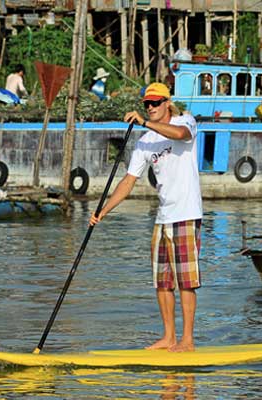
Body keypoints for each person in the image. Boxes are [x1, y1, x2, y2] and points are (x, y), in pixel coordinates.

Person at [89, 82, 202, 353]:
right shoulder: (144, 143)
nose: (150, 108)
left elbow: (180, 135)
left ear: (167, 103)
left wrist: (144, 123)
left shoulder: (185, 120)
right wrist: (102, 211)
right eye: (146, 105)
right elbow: (128, 182)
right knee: (162, 281)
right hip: (163, 216)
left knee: (186, 280)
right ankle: (169, 338)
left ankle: (187, 340)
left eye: (155, 103)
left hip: (186, 213)